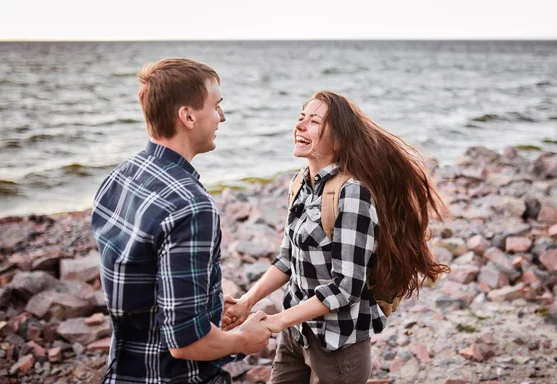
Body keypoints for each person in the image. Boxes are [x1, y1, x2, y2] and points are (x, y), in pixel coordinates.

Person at [222, 90, 450, 383]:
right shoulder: (299, 184)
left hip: (338, 346)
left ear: (339, 140)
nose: (300, 125)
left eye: (314, 122)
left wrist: (276, 321)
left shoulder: (353, 193)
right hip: (297, 336)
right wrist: (246, 302)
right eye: (301, 118)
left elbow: (347, 287)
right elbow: (286, 260)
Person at [91, 58, 271, 384]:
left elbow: (140, 279)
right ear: (187, 116)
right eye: (216, 107)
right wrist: (246, 340)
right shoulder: (191, 206)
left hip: (124, 371)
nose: (223, 117)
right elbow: (186, 343)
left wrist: (208, 304)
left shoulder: (121, 176)